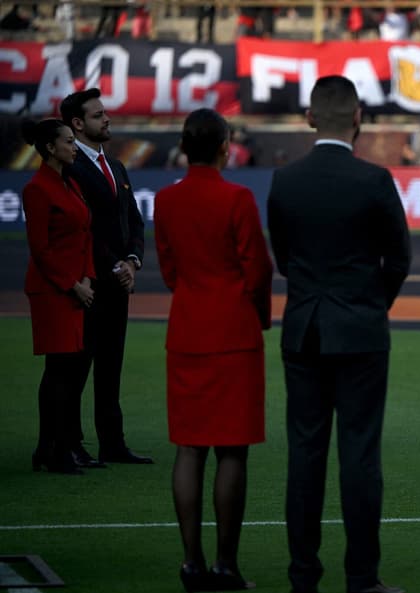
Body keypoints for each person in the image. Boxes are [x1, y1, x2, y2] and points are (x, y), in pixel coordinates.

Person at [267, 75, 411, 593]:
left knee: (304, 456)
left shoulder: (285, 180)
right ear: (357, 118)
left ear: (309, 118)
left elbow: (284, 259)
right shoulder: (375, 180)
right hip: (361, 333)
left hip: (304, 330)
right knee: (360, 455)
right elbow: (399, 258)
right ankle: (362, 577)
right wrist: (370, 305)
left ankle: (303, 575)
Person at [154, 108, 273, 593]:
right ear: (226, 147)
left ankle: (191, 562)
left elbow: (168, 267)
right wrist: (256, 314)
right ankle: (225, 564)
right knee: (232, 450)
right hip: (233, 333)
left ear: (184, 148)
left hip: (187, 330)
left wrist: (192, 295)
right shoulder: (238, 198)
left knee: (189, 447)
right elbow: (258, 268)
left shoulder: (166, 200)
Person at [59, 88, 151, 467]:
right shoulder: (70, 167)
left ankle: (113, 443)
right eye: (98, 115)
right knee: (77, 367)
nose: (107, 118)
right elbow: (85, 230)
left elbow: (134, 221)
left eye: (104, 112)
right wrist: (116, 266)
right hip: (89, 285)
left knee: (111, 366)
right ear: (77, 124)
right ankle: (71, 443)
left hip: (117, 283)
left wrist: (132, 261)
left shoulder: (115, 166)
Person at [22, 119, 95, 475]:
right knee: (59, 370)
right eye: (68, 141)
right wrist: (73, 285)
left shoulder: (71, 184)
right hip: (53, 291)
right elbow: (40, 249)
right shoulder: (37, 189)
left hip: (75, 288)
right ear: (50, 148)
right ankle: (56, 449)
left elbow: (85, 235)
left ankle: (49, 447)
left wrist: (88, 279)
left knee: (66, 369)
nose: (74, 146)